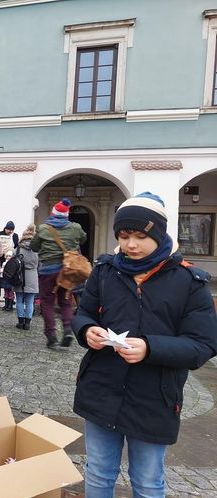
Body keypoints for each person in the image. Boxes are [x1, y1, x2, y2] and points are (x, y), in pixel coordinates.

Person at [71, 192, 217, 498]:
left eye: (140, 236)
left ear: (160, 234)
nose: (131, 245)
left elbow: (202, 345)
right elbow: (83, 312)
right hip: (101, 388)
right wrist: (87, 331)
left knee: (148, 481)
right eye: (124, 236)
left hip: (155, 397)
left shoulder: (189, 282)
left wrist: (150, 348)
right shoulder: (105, 271)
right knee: (98, 473)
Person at [30, 198, 87, 349]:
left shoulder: (43, 228)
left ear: (52, 214)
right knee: (66, 301)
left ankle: (51, 337)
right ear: (67, 215)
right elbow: (83, 239)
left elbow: (34, 246)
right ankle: (67, 330)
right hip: (67, 269)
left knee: (47, 302)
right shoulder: (75, 227)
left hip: (47, 270)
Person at [12, 224, 39, 330]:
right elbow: (40, 264)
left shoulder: (18, 249)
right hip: (32, 275)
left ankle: (20, 322)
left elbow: (13, 261)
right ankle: (27, 323)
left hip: (20, 277)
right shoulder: (37, 249)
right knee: (29, 301)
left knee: (19, 300)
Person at [0, 222, 17, 310]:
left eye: (12, 230)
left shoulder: (14, 236)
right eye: (9, 229)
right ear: (5, 228)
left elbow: (15, 247)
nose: (10, 231)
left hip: (10, 262)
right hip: (0, 261)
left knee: (9, 283)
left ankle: (10, 302)